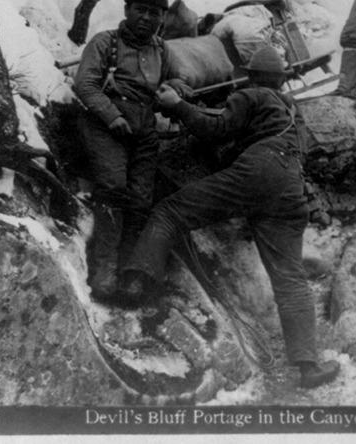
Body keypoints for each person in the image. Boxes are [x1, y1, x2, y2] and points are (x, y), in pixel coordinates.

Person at [117, 45, 341, 389]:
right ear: (280, 80)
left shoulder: (250, 95)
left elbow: (219, 128)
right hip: (290, 189)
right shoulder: (291, 111)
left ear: (250, 77)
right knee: (289, 278)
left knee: (169, 211)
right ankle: (308, 366)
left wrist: (178, 107)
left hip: (258, 170)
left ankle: (138, 280)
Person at [73, 0, 178, 303]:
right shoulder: (106, 42)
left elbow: (179, 79)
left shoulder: (162, 50)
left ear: (162, 18)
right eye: (140, 10)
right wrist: (111, 116)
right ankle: (104, 267)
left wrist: (175, 92)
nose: (147, 18)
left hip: (145, 125)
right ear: (127, 10)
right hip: (107, 124)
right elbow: (85, 85)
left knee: (141, 198)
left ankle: (130, 272)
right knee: (114, 188)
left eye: (154, 13)